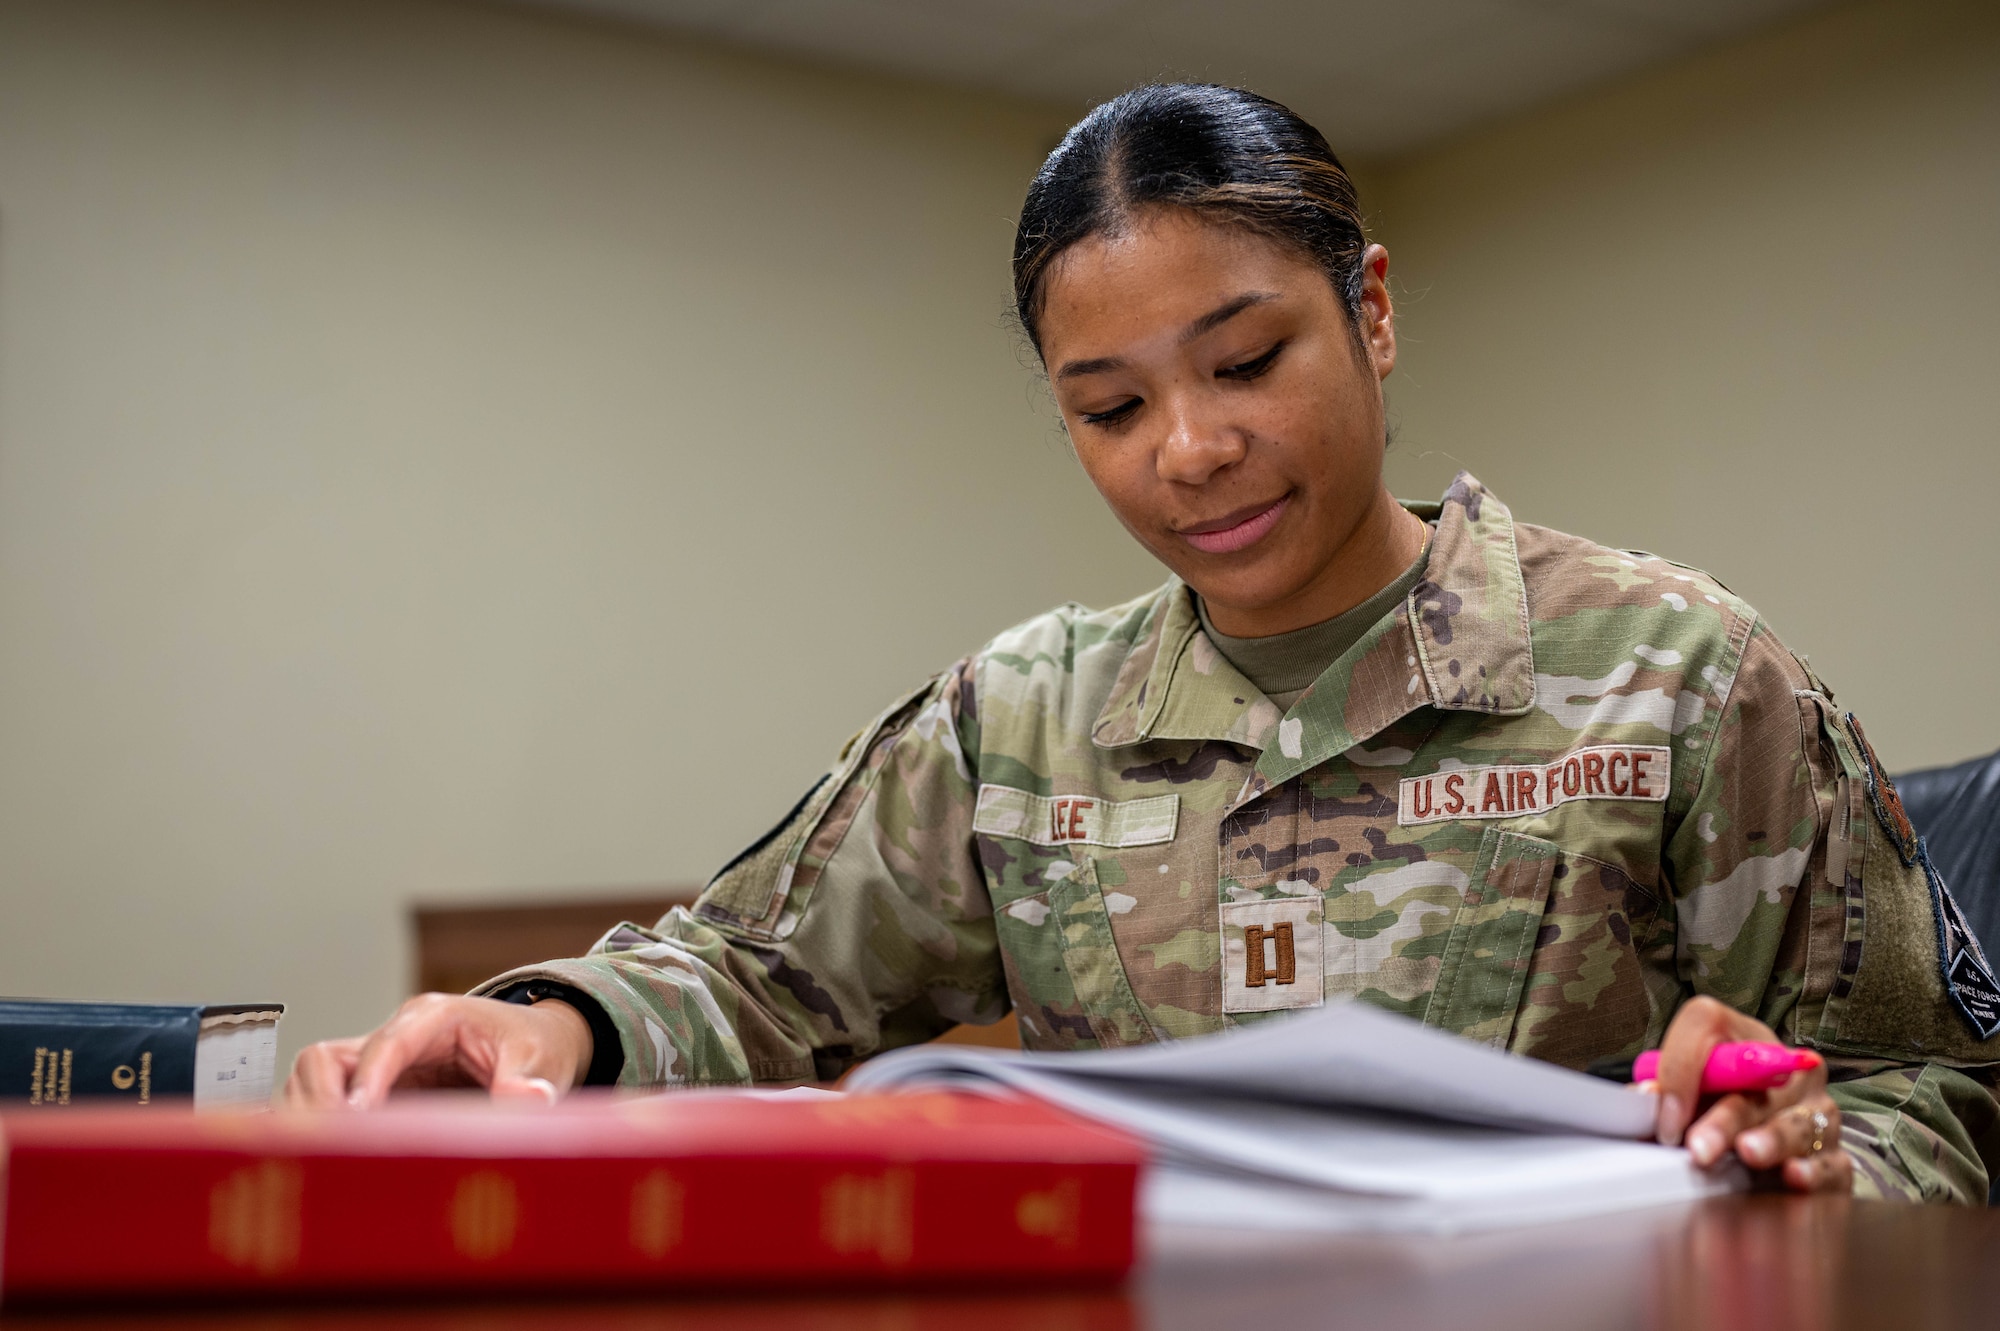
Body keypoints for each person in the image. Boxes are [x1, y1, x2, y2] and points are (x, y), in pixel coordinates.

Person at [289, 84, 2000, 1203]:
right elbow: (748, 975)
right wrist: (546, 1025)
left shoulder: (1680, 673)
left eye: (1247, 363)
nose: (1187, 450)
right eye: (1108, 407)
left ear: (1375, 311)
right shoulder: (1019, 722)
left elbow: (1934, 1094)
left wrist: (1810, 1144)